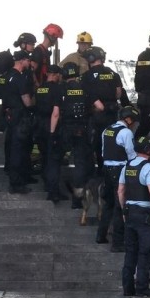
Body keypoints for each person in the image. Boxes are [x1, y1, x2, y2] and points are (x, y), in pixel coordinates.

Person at [119, 136, 150, 297]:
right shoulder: (149, 168)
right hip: (145, 216)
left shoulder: (127, 166)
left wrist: (124, 210)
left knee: (130, 252)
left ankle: (127, 288)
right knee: (145, 253)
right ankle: (142, 287)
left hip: (130, 213)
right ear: (148, 150)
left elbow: (121, 191)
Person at [95, 105, 139, 251]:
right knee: (120, 206)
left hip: (106, 169)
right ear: (128, 119)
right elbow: (131, 154)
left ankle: (100, 235)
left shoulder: (107, 130)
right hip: (119, 170)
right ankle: (117, 242)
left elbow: (103, 152)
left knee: (108, 203)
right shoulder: (126, 132)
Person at [1, 51, 36, 195]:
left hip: (9, 115)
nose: (30, 63)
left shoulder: (5, 76)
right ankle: (16, 183)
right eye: (28, 60)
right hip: (20, 117)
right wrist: (36, 101)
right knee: (19, 150)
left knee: (13, 147)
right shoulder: (20, 78)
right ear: (22, 60)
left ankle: (22, 177)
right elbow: (27, 102)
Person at [60, 62, 93, 209]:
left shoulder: (60, 88)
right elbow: (94, 107)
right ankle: (77, 198)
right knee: (80, 161)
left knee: (56, 160)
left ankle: (57, 191)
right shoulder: (84, 88)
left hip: (63, 129)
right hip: (81, 129)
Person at [33, 61, 65, 202]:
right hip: (50, 126)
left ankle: (47, 184)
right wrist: (52, 132)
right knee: (53, 160)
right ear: (56, 75)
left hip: (39, 126)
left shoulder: (40, 89)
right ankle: (53, 191)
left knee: (45, 157)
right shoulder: (57, 89)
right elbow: (56, 112)